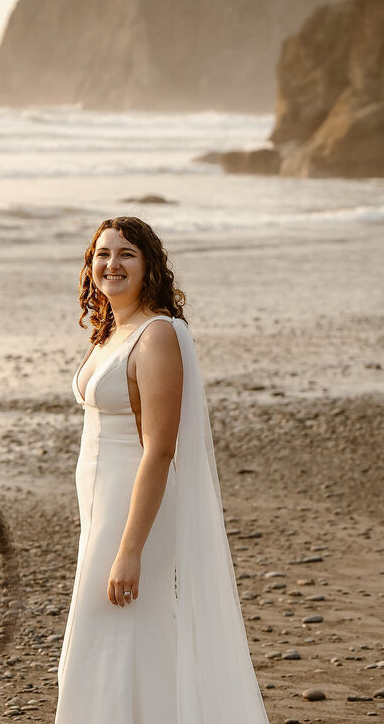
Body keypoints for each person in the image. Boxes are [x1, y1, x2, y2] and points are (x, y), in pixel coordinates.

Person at [54, 217, 267, 723]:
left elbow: (160, 451)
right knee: (114, 634)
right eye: (102, 254)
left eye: (126, 253)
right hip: (101, 507)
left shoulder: (156, 337)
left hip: (134, 510)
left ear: (149, 265)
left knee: (113, 629)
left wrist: (131, 551)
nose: (112, 264)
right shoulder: (112, 332)